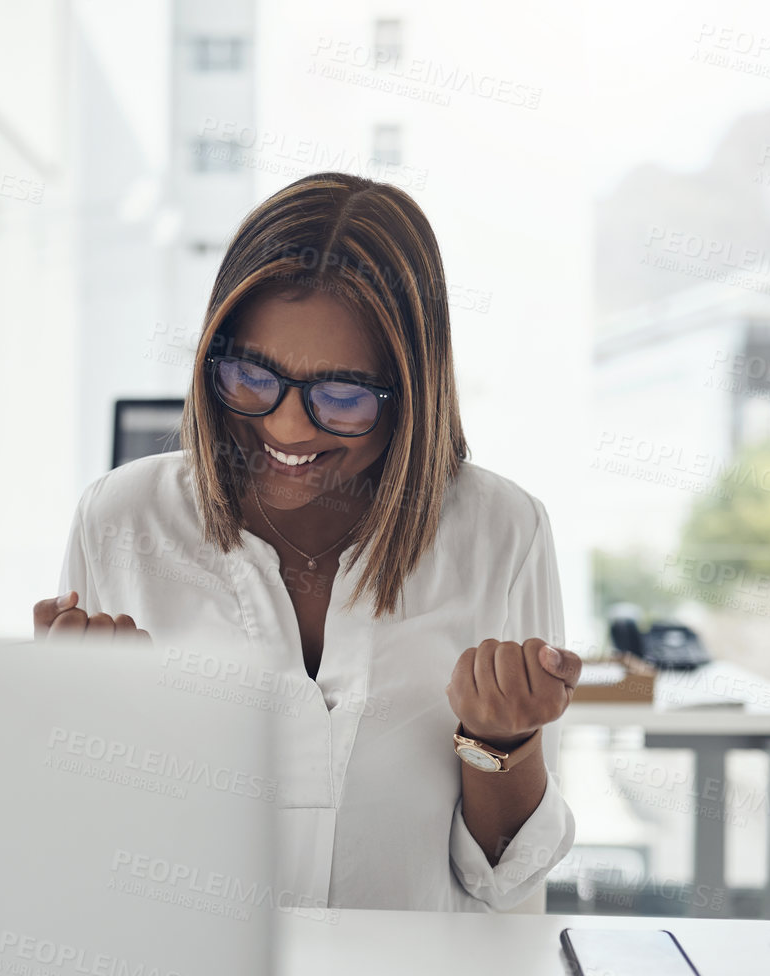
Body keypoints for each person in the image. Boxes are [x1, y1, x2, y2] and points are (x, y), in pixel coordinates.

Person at [33, 172, 579, 912]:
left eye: (344, 395)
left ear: (410, 391)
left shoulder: (502, 533)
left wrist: (499, 741)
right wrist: (98, 728)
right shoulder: (120, 521)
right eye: (252, 377)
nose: (288, 428)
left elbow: (506, 884)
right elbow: (81, 854)